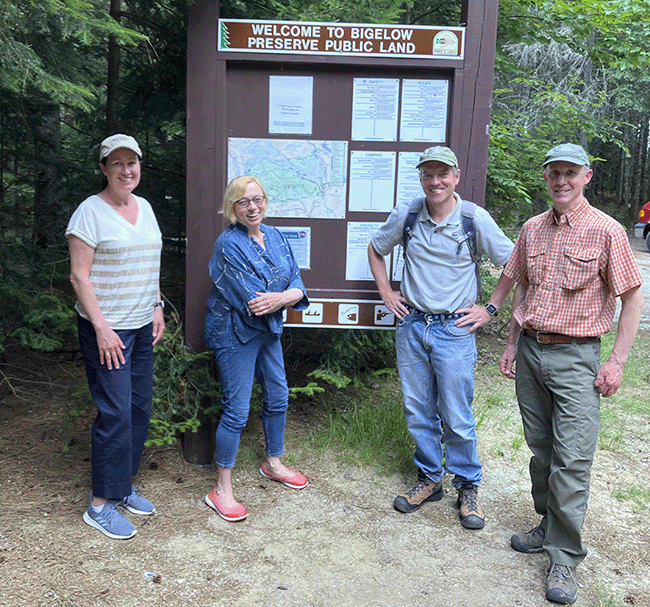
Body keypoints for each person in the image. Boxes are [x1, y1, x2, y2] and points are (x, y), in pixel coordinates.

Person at [499, 143, 643, 604]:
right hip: (531, 353)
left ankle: (563, 557)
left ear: (586, 177)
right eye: (553, 173)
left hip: (577, 357)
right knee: (541, 451)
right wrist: (509, 343)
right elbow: (522, 284)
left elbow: (631, 298)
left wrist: (617, 360)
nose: (561, 180)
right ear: (546, 178)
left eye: (570, 173)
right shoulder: (531, 230)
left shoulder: (607, 230)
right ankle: (547, 525)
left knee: (572, 458)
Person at [367, 146, 514, 529]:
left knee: (457, 414)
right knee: (418, 410)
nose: (435, 182)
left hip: (455, 330)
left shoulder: (472, 219)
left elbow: (514, 264)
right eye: (428, 174)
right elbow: (376, 248)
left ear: (456, 176)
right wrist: (386, 291)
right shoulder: (408, 214)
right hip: (412, 325)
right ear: (421, 178)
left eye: (442, 174)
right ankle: (430, 479)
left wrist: (491, 308)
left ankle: (468, 486)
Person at [66, 134, 165, 540]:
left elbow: (150, 262)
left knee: (140, 407)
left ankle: (122, 487)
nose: (127, 170)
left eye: (133, 162)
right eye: (117, 163)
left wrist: (157, 304)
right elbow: (79, 275)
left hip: (142, 325)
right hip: (108, 329)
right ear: (103, 168)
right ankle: (100, 504)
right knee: (116, 412)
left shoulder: (145, 208)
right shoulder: (89, 213)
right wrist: (102, 328)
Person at [204, 175, 310, 522]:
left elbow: (296, 282)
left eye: (257, 199)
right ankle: (221, 489)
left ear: (265, 200)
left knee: (278, 395)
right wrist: (285, 297)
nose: (253, 207)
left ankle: (273, 462)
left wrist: (284, 295)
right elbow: (255, 302)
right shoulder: (228, 244)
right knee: (236, 409)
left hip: (267, 331)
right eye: (243, 202)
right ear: (232, 207)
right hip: (235, 333)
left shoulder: (276, 236)